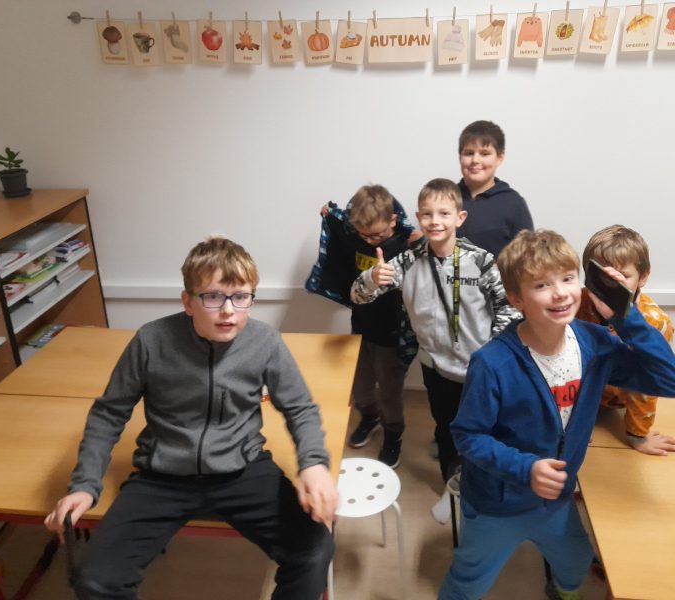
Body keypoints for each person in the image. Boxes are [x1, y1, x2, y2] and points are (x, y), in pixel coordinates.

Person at [45, 237, 337, 600]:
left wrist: (313, 463)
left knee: (314, 553)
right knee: (95, 579)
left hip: (243, 470)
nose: (228, 310)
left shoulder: (266, 342)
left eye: (241, 297)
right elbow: (108, 413)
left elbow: (299, 408)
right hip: (162, 477)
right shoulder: (151, 341)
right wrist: (84, 485)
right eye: (213, 297)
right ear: (187, 301)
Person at [439, 229, 675, 600]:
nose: (560, 293)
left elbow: (671, 382)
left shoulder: (595, 344)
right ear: (516, 299)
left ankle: (563, 592)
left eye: (568, 279)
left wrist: (627, 316)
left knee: (575, 563)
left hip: (556, 498)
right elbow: (468, 435)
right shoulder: (492, 363)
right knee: (468, 581)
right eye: (541, 285)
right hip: (498, 503)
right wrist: (526, 468)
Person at [350, 178, 520, 522]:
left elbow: (509, 310)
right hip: (435, 367)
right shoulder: (406, 261)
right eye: (427, 214)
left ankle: (487, 490)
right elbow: (358, 296)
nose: (435, 221)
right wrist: (371, 278)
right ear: (418, 217)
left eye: (444, 213)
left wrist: (492, 356)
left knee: (485, 432)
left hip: (480, 369)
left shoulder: (482, 261)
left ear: (460, 217)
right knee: (446, 428)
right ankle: (453, 488)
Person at [309, 185, 416, 468]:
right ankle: (370, 417)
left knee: (389, 392)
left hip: (392, 335)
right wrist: (330, 215)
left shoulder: (405, 245)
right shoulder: (356, 237)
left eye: (377, 235)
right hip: (361, 327)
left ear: (393, 220)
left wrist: (420, 241)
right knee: (360, 385)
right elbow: (341, 226)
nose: (370, 241)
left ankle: (394, 433)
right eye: (364, 234)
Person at [578, 225, 675, 455]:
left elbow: (648, 384)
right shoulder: (575, 305)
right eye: (601, 275)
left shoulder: (654, 323)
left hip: (621, 396)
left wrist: (637, 435)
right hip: (581, 394)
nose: (610, 283)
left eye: (622, 276)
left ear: (642, 278)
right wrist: (570, 424)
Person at [454, 120, 533, 258]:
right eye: (469, 153)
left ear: (499, 158)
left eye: (484, 154)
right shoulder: (446, 197)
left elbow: (527, 260)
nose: (475, 160)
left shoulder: (514, 204)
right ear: (460, 157)